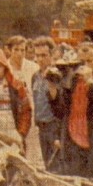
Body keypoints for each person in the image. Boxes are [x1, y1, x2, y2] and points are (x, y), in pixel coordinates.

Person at [52, 41, 93, 181]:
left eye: (89, 61)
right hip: (73, 140)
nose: (85, 65)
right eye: (81, 62)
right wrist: (53, 88)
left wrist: (91, 82)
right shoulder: (72, 82)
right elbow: (60, 111)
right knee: (73, 182)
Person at [0, 48, 32, 149]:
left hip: (12, 133)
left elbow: (26, 111)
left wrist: (21, 133)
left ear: (5, 67)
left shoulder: (16, 86)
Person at [31, 37, 61, 171]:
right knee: (47, 166)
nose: (40, 59)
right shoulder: (35, 76)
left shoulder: (58, 75)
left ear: (52, 55)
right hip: (41, 127)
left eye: (44, 55)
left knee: (57, 167)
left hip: (54, 126)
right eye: (37, 55)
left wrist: (59, 134)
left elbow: (61, 106)